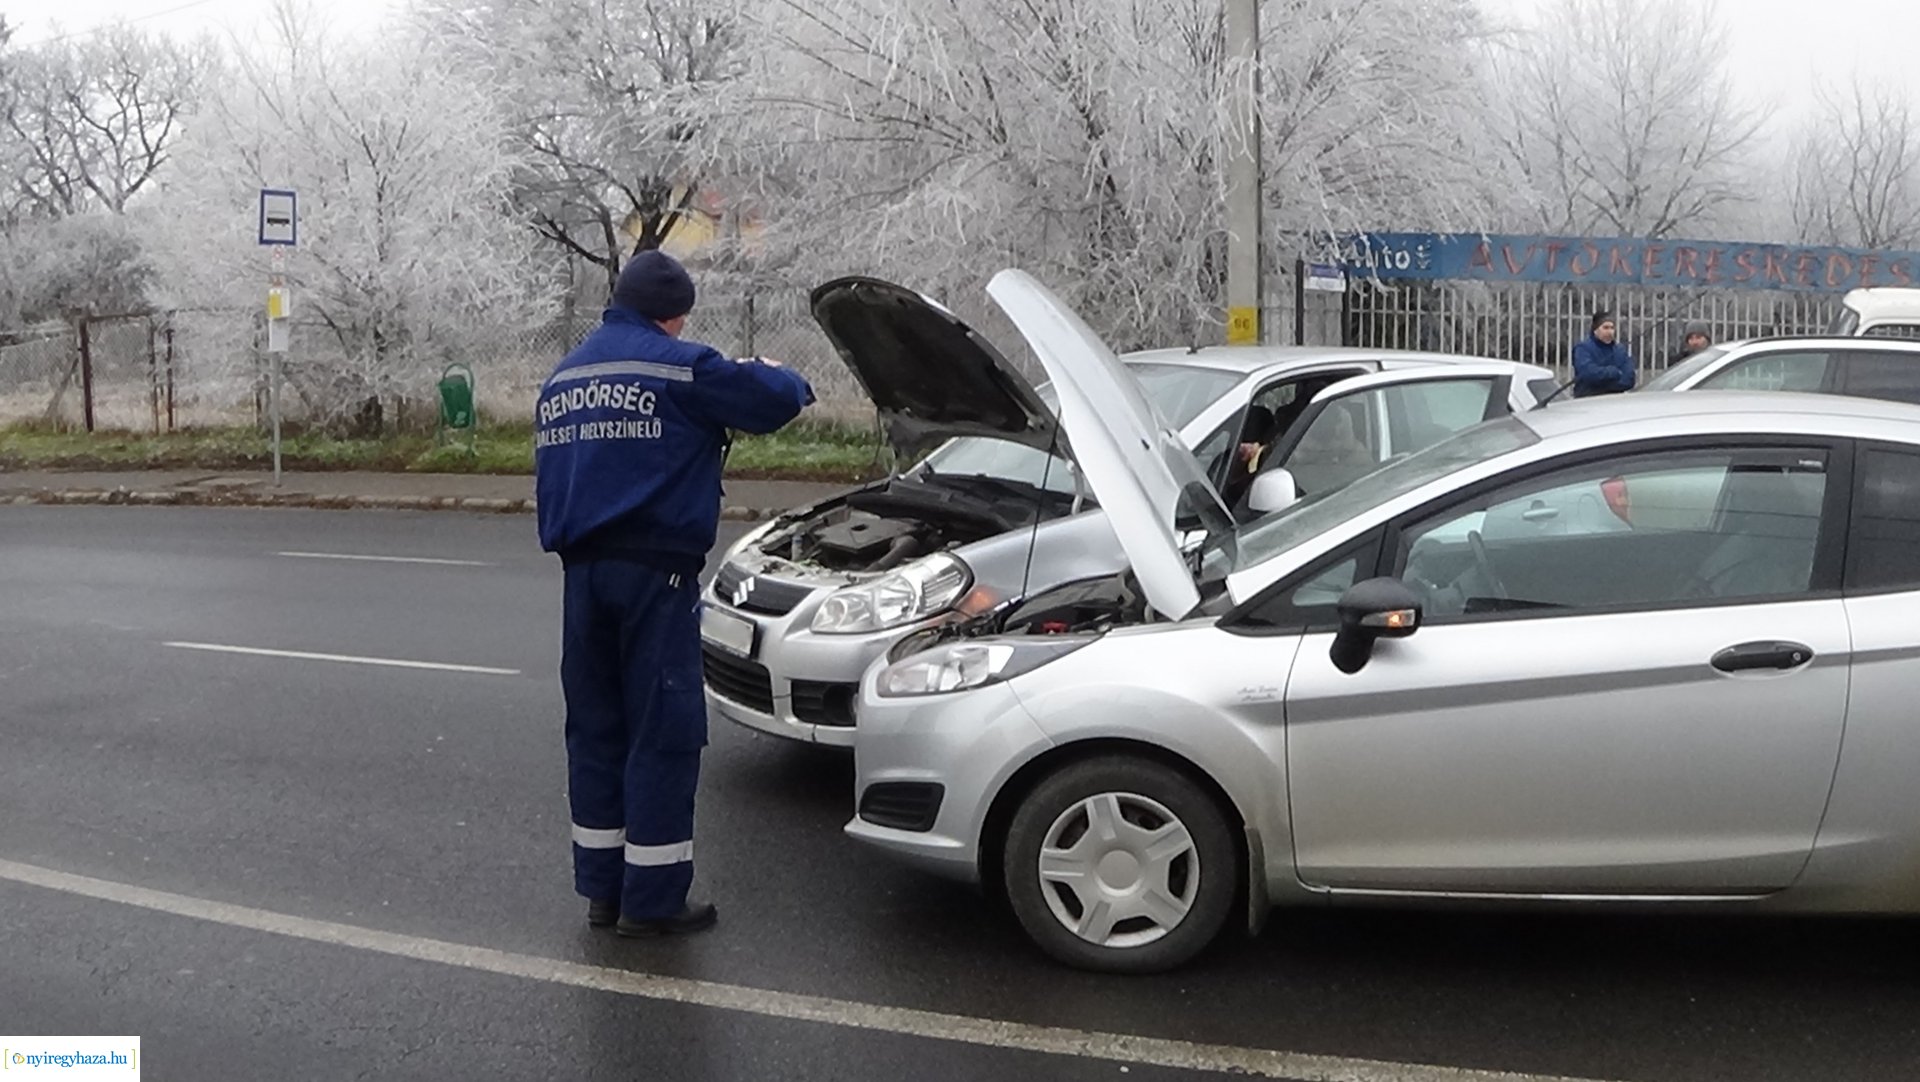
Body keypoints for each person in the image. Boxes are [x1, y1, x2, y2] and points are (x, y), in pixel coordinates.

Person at [534, 250, 814, 938]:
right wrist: (779, 372)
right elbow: (775, 401)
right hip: (654, 577)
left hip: (582, 578)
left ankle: (602, 891)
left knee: (596, 729)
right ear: (671, 314)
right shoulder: (682, 367)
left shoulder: (563, 378)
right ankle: (653, 899)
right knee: (662, 730)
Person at [1572, 310, 1636, 397]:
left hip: (1614, 400)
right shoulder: (1583, 349)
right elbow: (1587, 374)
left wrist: (1601, 384)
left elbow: (1629, 379)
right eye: (1605, 328)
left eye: (1612, 328)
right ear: (1595, 330)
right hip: (1588, 400)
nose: (1609, 332)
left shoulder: (1620, 351)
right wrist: (1613, 373)